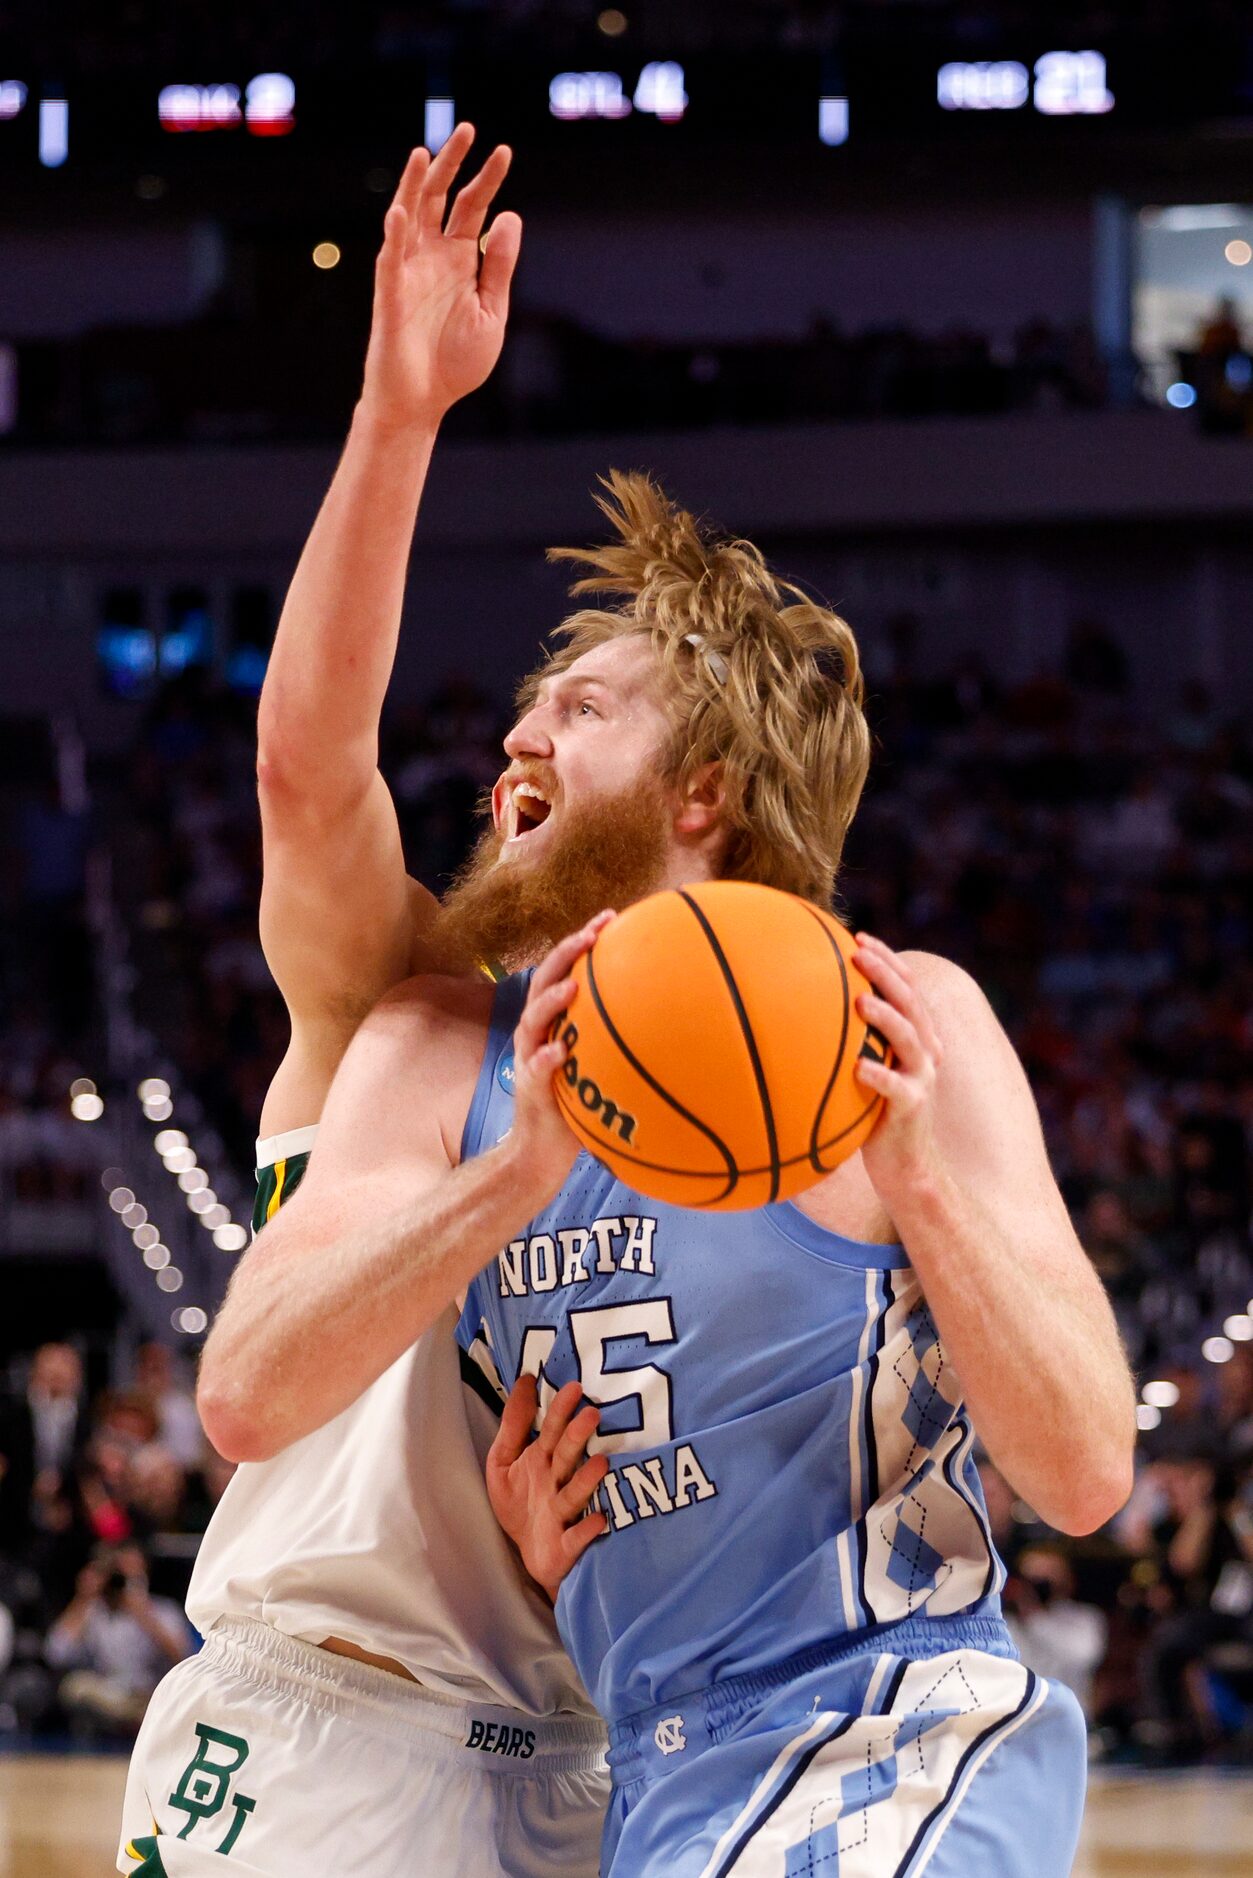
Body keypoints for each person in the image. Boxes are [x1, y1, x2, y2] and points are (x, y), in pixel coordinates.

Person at [197, 465, 1137, 1867]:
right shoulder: (466, 1062)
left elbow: (1080, 1471)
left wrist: (925, 1187)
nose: (518, 730)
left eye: (581, 708)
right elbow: (251, 1394)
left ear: (699, 789)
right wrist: (517, 1174)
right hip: (650, 1775)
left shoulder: (896, 1021)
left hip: (884, 1727)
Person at [118, 126, 608, 1878]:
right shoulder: (400, 993)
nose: (513, 741)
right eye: (523, 714)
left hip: (576, 1758)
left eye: (577, 713)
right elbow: (307, 765)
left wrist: (592, 1565)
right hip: (312, 1733)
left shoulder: (751, 1104)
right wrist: (400, 416)